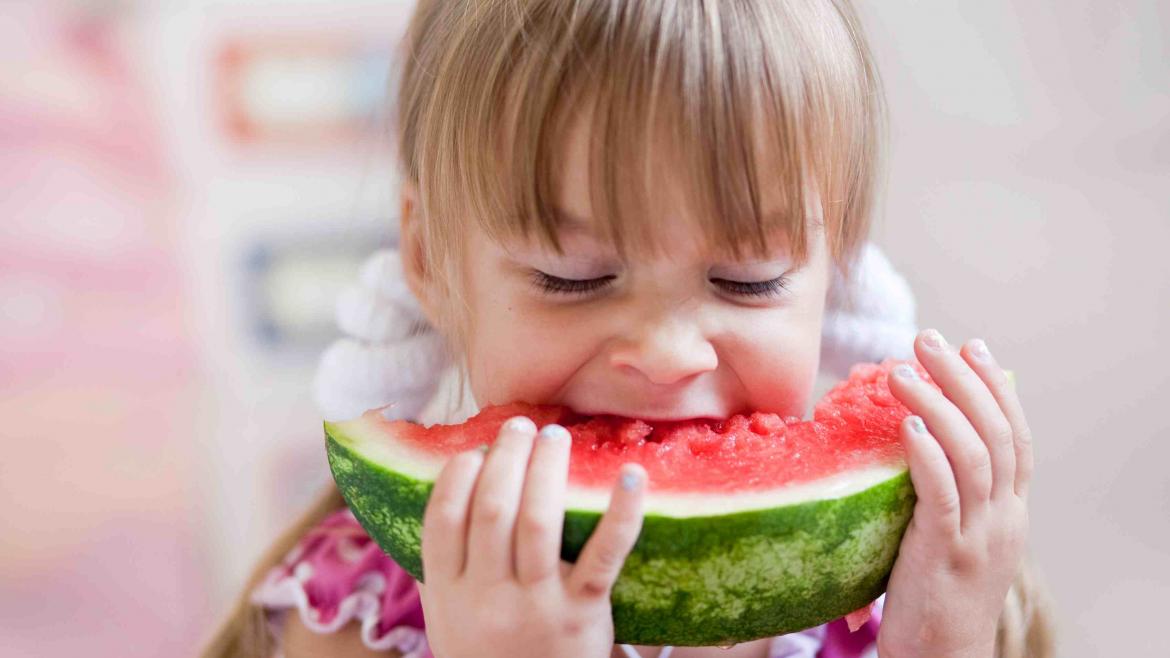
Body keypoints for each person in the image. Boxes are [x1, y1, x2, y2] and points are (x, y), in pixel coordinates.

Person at [201, 1, 1056, 656]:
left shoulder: (925, 597)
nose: (668, 355)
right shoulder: (350, 618)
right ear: (429, 257)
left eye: (747, 280)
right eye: (573, 278)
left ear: (839, 269)